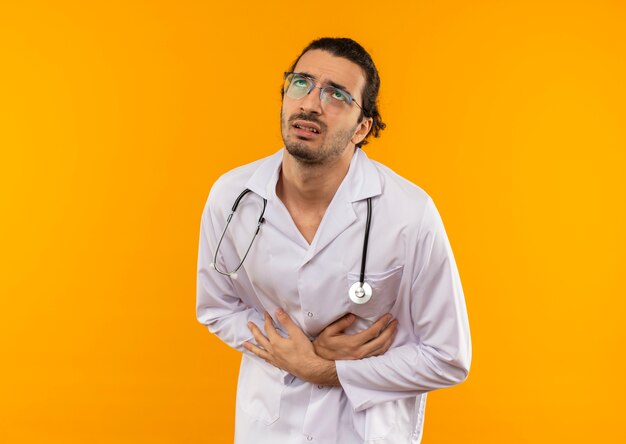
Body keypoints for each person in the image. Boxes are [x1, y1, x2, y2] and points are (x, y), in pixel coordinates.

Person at [196, 37, 472, 444]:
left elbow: (448, 358)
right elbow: (217, 307)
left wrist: (324, 368)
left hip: (364, 431)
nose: (310, 103)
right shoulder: (232, 196)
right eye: (301, 83)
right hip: (268, 428)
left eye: (337, 95)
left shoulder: (409, 213)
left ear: (363, 128)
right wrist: (296, 351)